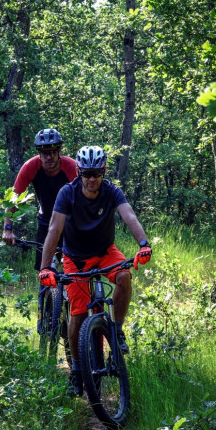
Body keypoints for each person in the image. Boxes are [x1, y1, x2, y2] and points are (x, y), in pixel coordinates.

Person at [38, 145, 152, 396]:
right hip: (76, 258)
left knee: (124, 275)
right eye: (87, 173)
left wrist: (143, 244)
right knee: (78, 313)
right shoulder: (67, 194)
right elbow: (54, 230)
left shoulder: (112, 191)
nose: (92, 179)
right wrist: (45, 268)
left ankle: (117, 330)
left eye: (96, 173)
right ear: (79, 172)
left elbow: (129, 216)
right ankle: (77, 370)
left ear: (104, 171)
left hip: (104, 252)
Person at [2, 129, 79, 333]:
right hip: (46, 222)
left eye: (53, 151)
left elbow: (82, 198)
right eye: (44, 152)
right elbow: (14, 198)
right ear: (38, 153)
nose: (49, 157)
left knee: (76, 270)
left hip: (71, 223)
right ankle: (44, 314)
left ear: (59, 151)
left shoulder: (71, 167)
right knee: (45, 270)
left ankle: (75, 312)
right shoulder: (31, 167)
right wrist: (8, 228)